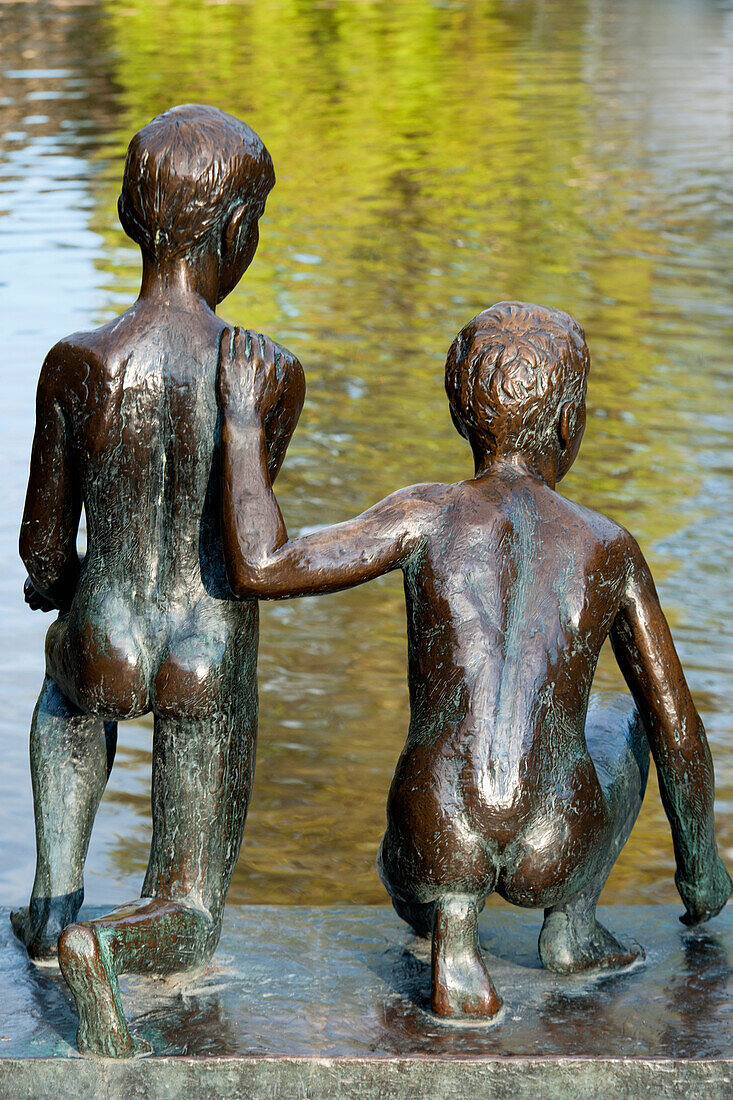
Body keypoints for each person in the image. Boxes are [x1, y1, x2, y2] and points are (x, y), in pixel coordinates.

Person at [217, 303, 731, 1020]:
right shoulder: (606, 545)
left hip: (438, 828)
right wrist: (701, 873)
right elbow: (677, 726)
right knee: (630, 723)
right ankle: (572, 925)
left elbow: (263, 566)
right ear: (567, 422)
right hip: (558, 835)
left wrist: (242, 424)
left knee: (431, 790)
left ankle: (452, 928)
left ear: (461, 419)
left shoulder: (423, 514)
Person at [14, 104, 304, 1056]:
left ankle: (57, 898)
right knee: (190, 910)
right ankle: (114, 936)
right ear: (236, 231)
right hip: (205, 653)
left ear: (132, 218)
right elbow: (246, 534)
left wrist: (55, 588)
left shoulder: (78, 364)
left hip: (105, 631)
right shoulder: (267, 372)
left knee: (67, 696)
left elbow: (45, 547)